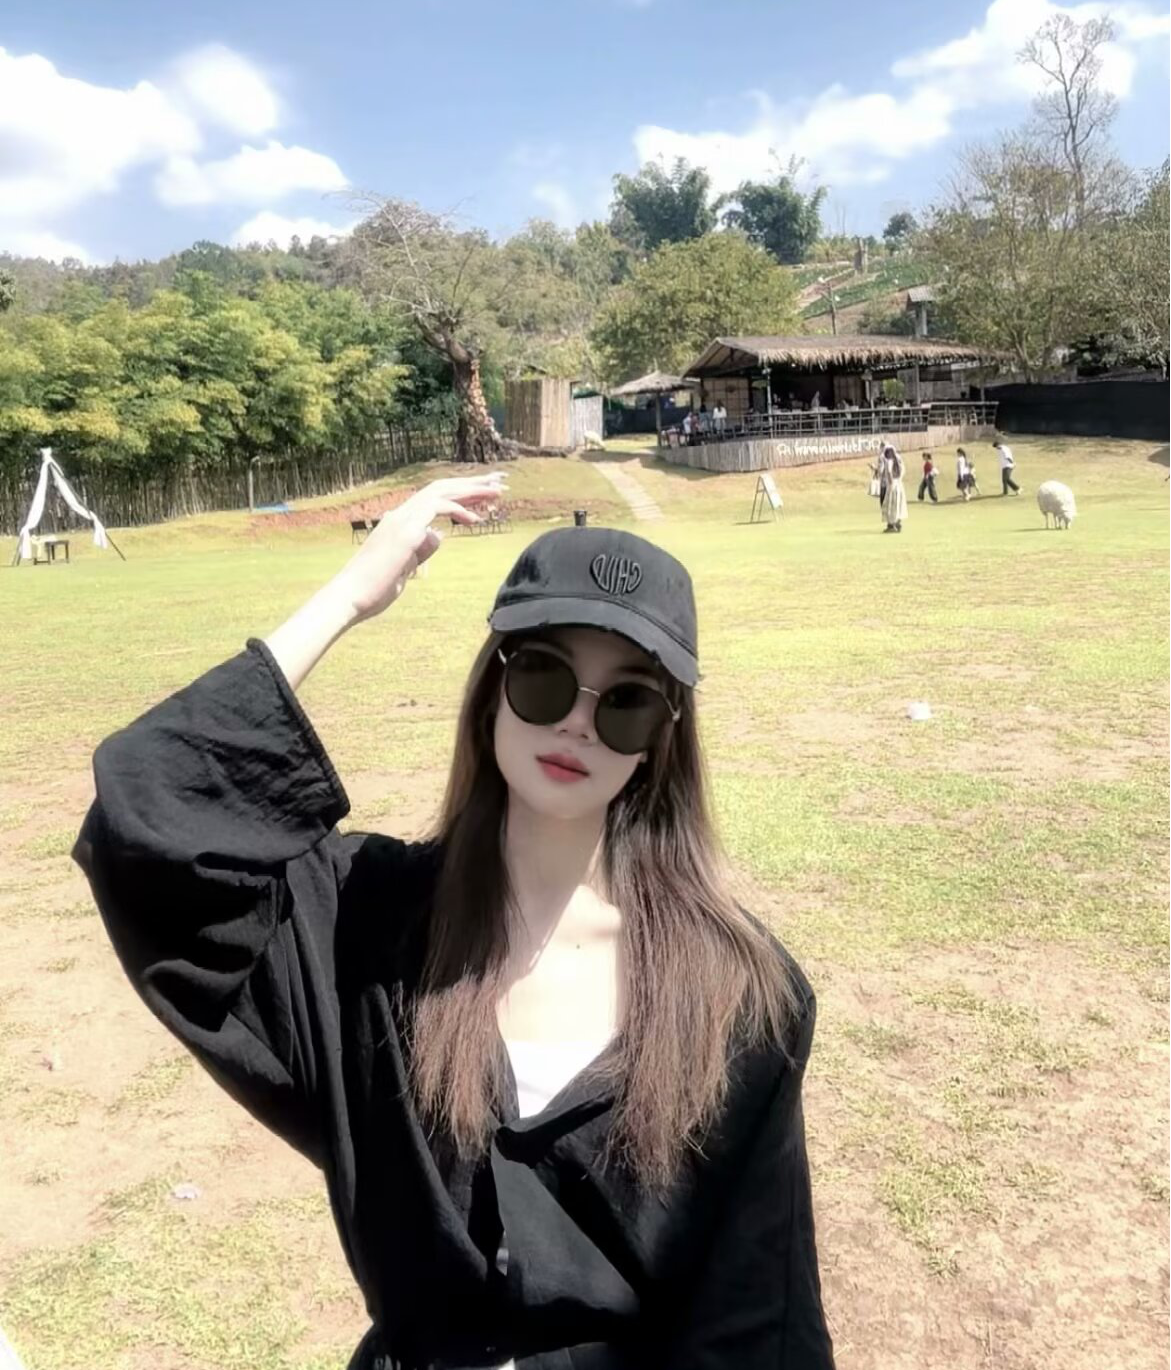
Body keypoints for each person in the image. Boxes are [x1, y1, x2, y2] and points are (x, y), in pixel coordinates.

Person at [72, 476, 835, 1370]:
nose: (578, 722)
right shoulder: (366, 921)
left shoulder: (740, 994)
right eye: (545, 676)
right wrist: (347, 598)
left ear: (660, 739)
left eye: (625, 700)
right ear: (492, 690)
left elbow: (756, 1318)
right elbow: (147, 820)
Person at [880, 443, 907, 532]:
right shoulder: (898, 461)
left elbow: (889, 472)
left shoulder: (889, 462)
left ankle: (891, 525)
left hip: (892, 485)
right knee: (898, 504)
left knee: (890, 505)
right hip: (899, 484)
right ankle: (898, 523)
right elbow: (903, 471)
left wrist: (890, 483)